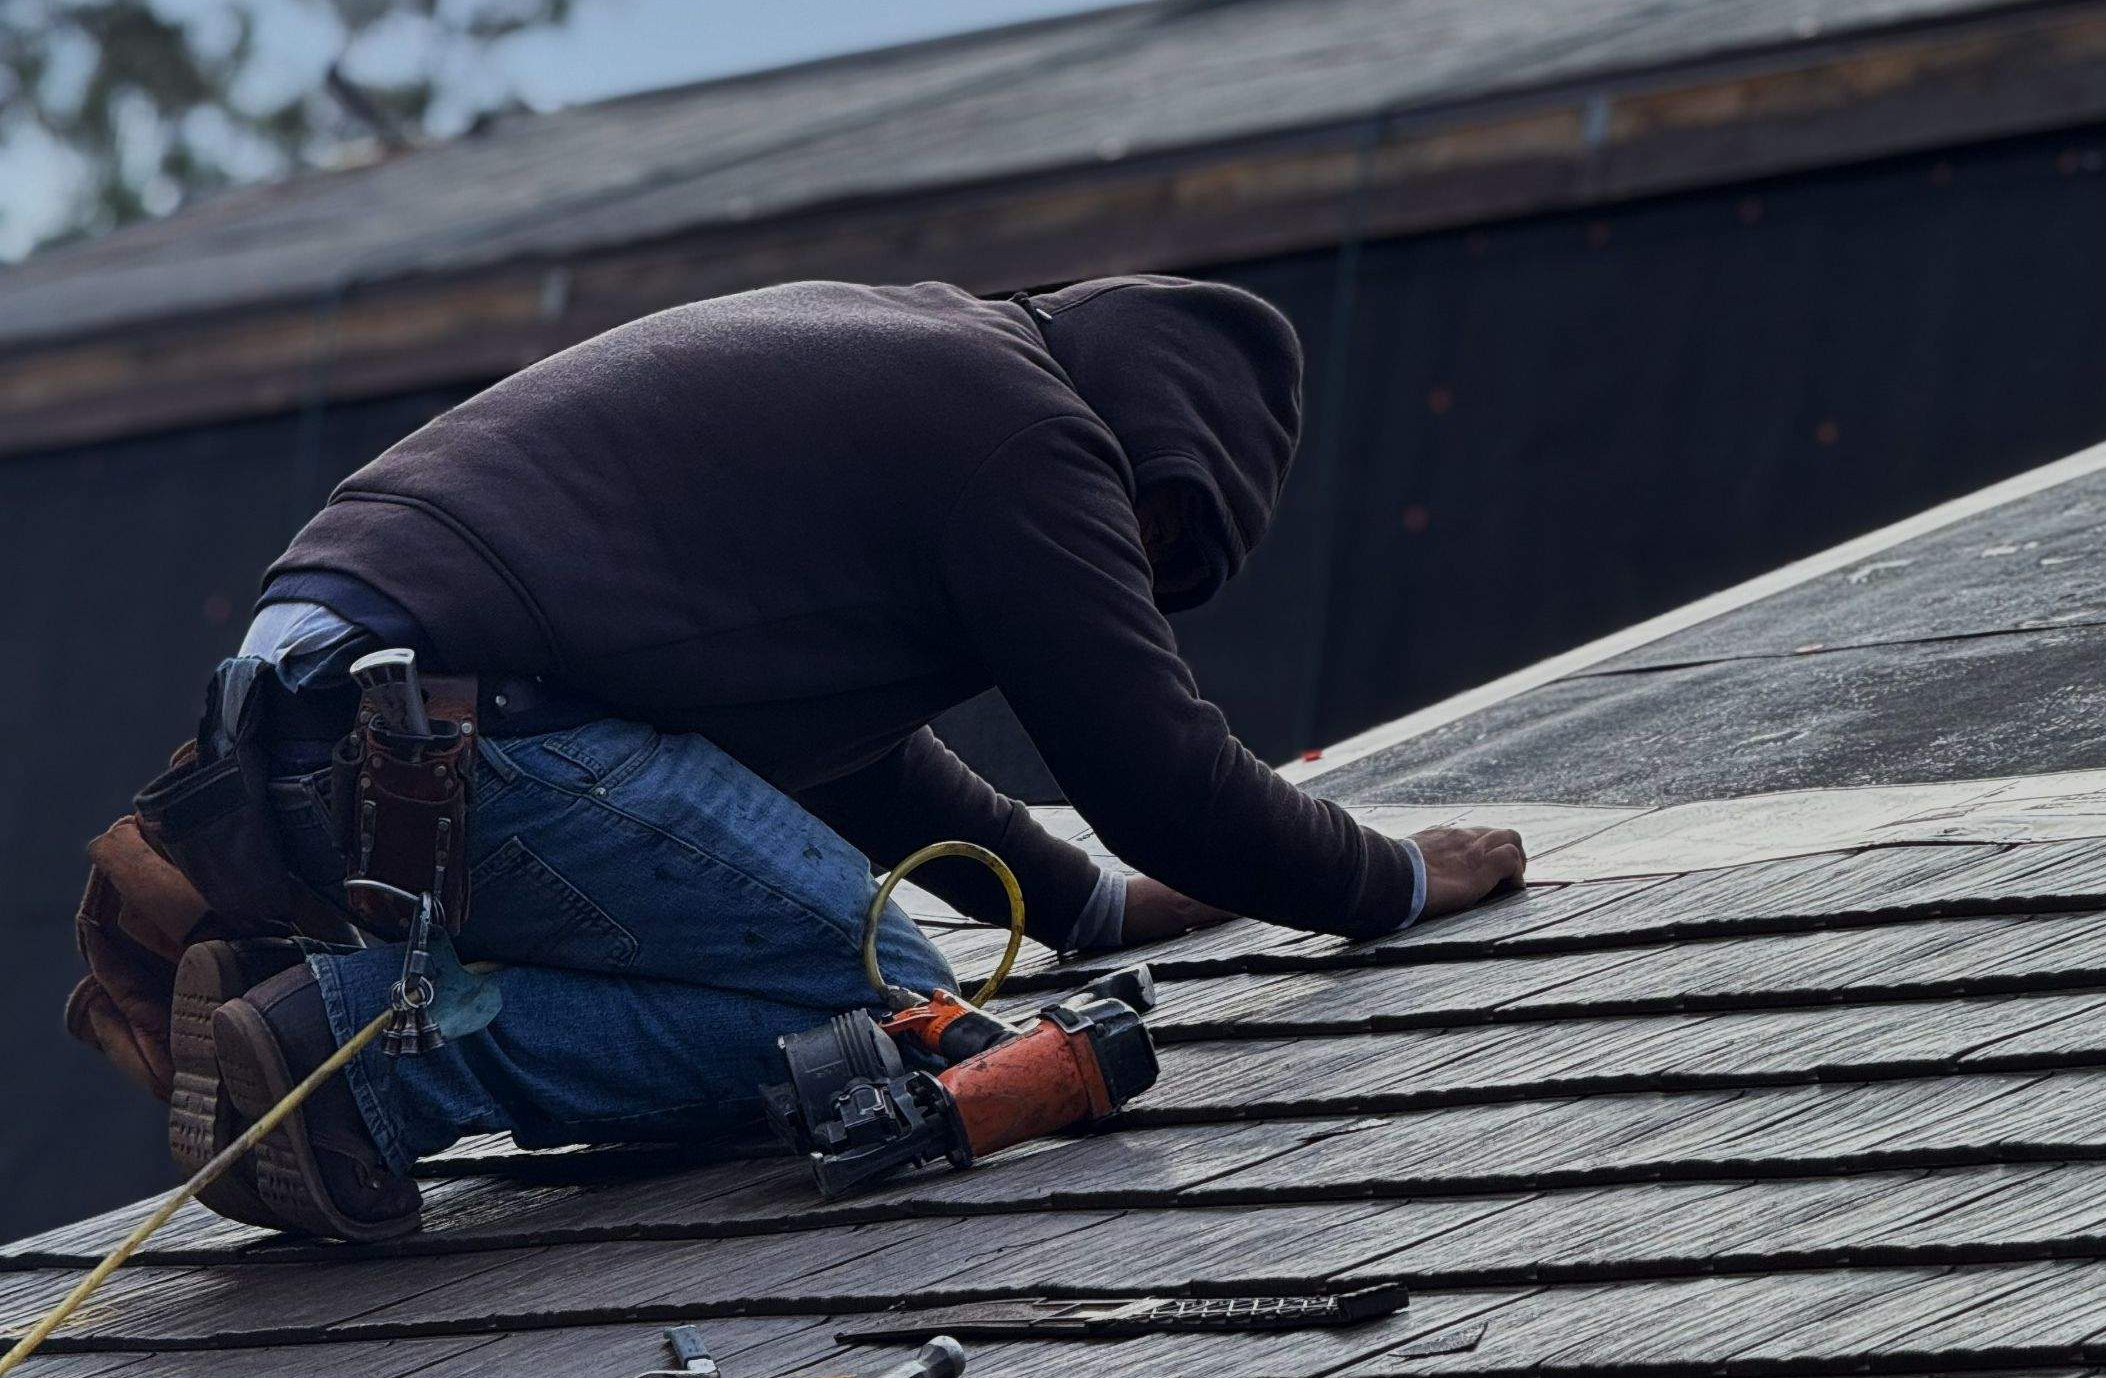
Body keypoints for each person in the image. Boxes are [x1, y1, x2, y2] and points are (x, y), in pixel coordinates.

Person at [177, 274, 1524, 1238]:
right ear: (1160, 436)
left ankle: (296, 1026)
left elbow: (845, 755)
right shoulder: (1032, 437)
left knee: (783, 966)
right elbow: (1159, 776)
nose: (1133, 578)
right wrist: (1392, 881)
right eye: (1159, 542)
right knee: (885, 1002)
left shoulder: (921, 368)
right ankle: (365, 1056)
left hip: (303, 739)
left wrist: (1087, 906)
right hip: (470, 730)